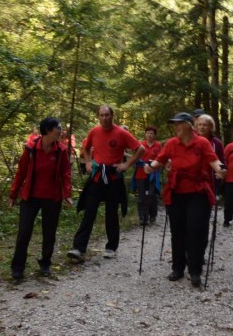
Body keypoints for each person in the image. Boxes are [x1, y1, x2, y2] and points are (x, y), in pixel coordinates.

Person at [144, 112, 226, 288]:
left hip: (197, 191)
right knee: (178, 231)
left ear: (189, 126)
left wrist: (221, 169)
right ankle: (178, 267)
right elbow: (159, 161)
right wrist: (149, 167)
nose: (175, 128)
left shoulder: (202, 143)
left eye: (178, 124)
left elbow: (214, 161)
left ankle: (195, 270)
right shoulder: (172, 143)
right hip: (177, 192)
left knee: (195, 230)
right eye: (174, 125)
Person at [68, 105, 145, 261]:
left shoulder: (122, 133)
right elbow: (86, 147)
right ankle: (79, 249)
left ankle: (111, 247)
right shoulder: (94, 131)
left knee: (111, 213)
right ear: (98, 116)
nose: (104, 118)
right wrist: (88, 163)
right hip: (96, 177)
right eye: (102, 115)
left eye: (107, 115)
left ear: (112, 115)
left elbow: (140, 149)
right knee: (89, 212)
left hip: (113, 179)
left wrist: (127, 164)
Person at [9, 117, 73, 280]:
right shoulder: (31, 149)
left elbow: (66, 174)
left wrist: (67, 194)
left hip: (52, 197)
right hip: (30, 197)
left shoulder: (61, 150)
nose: (61, 130)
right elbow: (21, 172)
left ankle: (45, 264)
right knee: (24, 233)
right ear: (48, 130)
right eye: (58, 128)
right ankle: (18, 268)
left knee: (49, 233)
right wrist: (13, 193)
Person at [132, 126, 162, 225]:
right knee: (141, 196)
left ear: (155, 135)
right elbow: (135, 157)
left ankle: (152, 214)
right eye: (148, 133)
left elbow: (161, 158)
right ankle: (143, 217)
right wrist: (142, 164)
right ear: (145, 134)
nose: (149, 135)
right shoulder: (140, 144)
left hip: (153, 173)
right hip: (141, 173)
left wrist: (154, 163)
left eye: (151, 133)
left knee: (151, 195)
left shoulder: (158, 145)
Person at [195, 114, 225, 195]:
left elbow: (222, 161)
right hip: (194, 180)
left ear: (210, 127)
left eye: (205, 125)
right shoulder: (192, 141)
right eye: (199, 125)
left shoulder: (217, 143)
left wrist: (221, 173)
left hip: (211, 180)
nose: (201, 127)